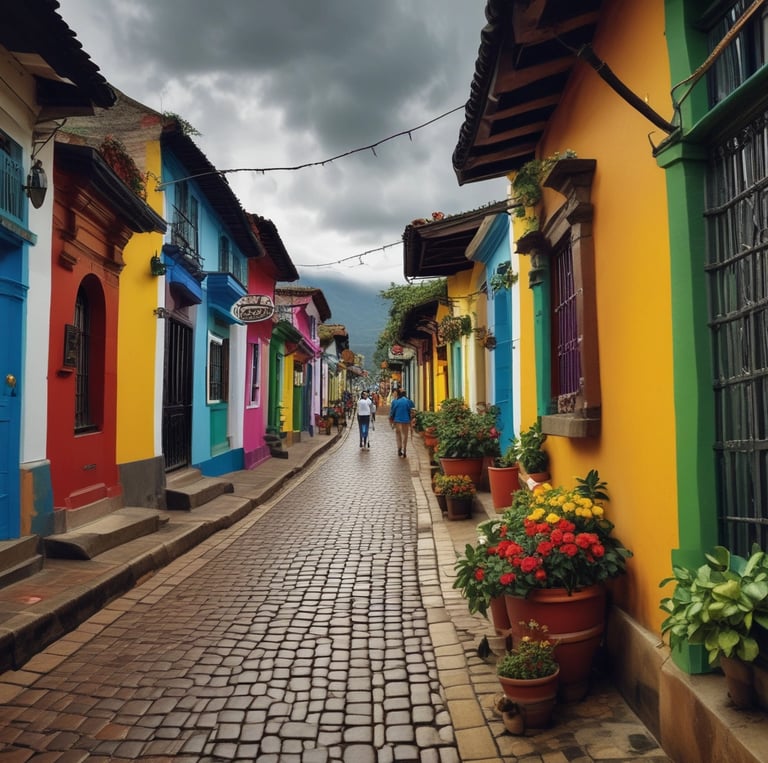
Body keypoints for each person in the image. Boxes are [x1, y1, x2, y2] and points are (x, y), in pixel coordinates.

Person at [389, 388, 415, 458]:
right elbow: (412, 410)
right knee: (405, 436)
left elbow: (392, 412)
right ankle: (404, 449)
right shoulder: (408, 401)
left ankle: (399, 448)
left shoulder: (396, 402)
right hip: (406, 421)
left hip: (397, 421)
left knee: (398, 435)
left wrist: (391, 420)